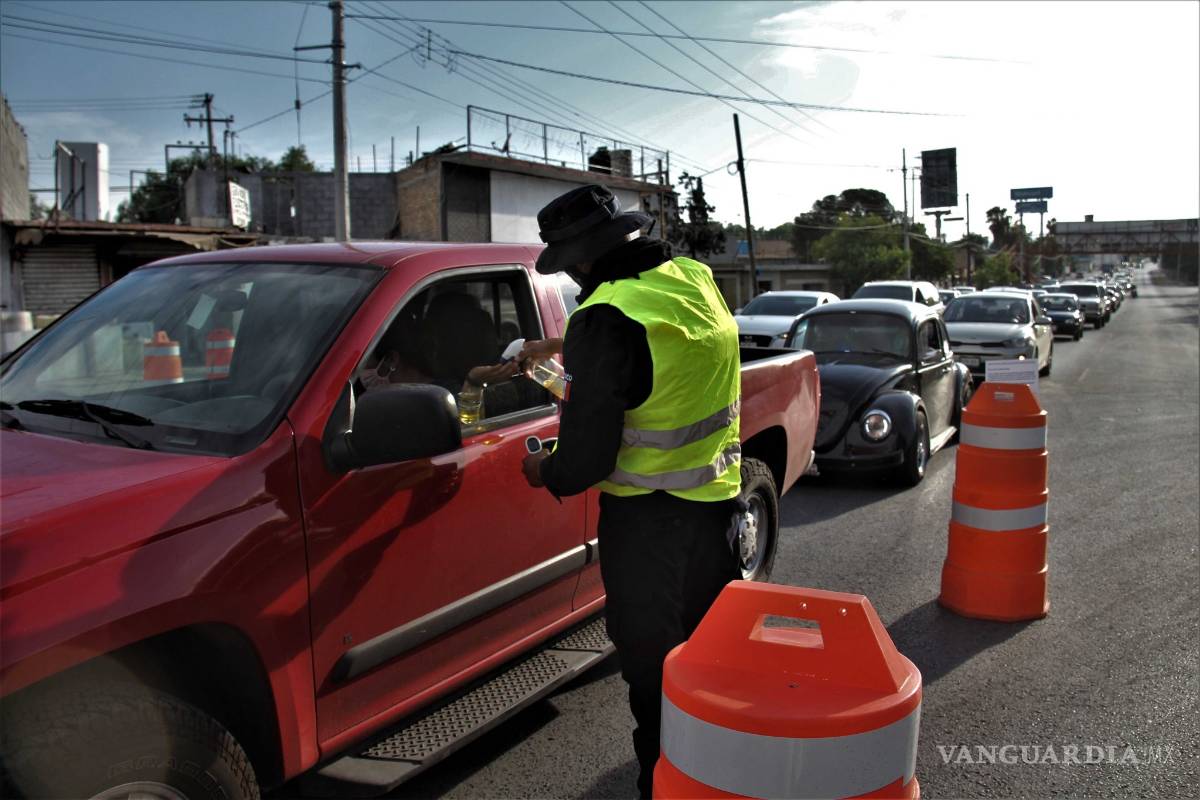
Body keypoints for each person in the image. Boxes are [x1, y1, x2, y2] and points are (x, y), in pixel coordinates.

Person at [519, 184, 743, 799]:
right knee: (709, 665)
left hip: (649, 533)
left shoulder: (603, 318)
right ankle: (724, 778)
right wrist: (564, 346)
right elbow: (661, 338)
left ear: (583, 260)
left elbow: (585, 461)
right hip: (718, 511)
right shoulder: (692, 276)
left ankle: (668, 788)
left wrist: (545, 472)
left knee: (654, 681)